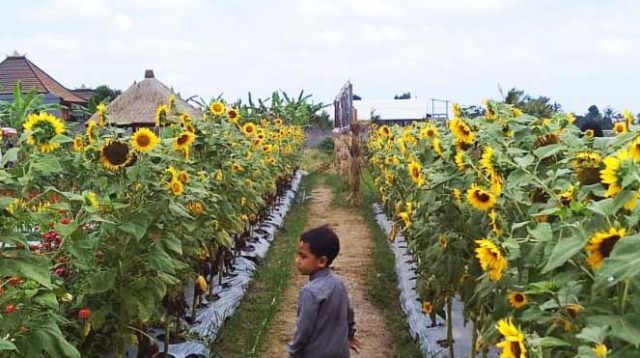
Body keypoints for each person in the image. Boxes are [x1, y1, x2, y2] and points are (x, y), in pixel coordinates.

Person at [288, 225, 361, 358]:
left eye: (303, 256)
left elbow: (304, 329)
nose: (297, 260)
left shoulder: (309, 292)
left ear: (321, 261)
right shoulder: (339, 283)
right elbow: (349, 314)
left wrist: (294, 351)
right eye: (298, 254)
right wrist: (350, 335)